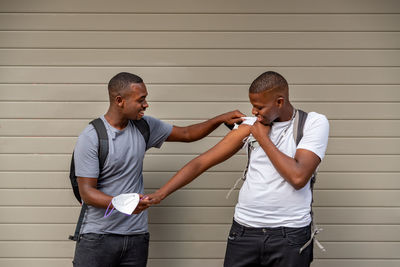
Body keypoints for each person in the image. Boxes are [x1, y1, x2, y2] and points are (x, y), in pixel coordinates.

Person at [147, 71, 330, 267]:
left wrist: (262, 138)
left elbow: (298, 177)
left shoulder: (312, 123)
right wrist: (161, 193)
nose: (253, 112)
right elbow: (202, 162)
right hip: (244, 231)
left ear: (279, 102)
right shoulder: (250, 126)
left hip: (290, 235)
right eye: (252, 105)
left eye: (259, 107)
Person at [72, 72, 244, 267]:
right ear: (120, 100)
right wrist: (122, 204)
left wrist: (219, 119)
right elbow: (87, 193)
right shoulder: (92, 136)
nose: (146, 105)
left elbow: (187, 134)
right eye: (141, 100)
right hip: (98, 238)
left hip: (136, 236)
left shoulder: (144, 126)